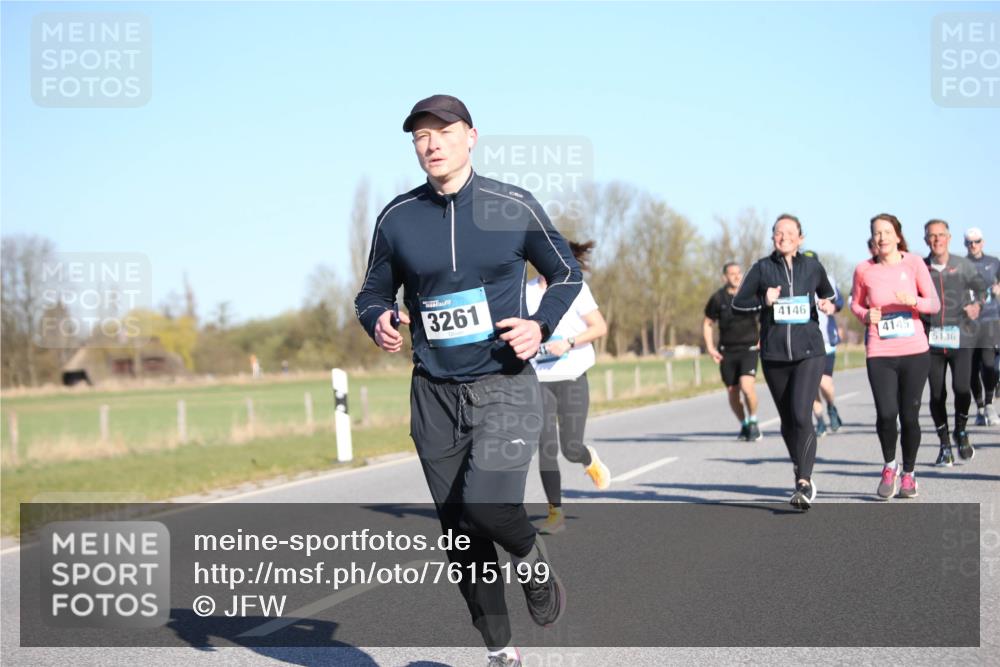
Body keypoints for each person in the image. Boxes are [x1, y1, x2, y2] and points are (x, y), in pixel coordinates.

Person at [354, 94, 582, 667]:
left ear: (471, 137)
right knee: (462, 535)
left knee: (486, 507)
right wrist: (377, 318)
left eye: (444, 132)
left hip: (503, 382)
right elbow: (371, 292)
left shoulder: (513, 205)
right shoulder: (396, 218)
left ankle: (531, 560)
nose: (431, 144)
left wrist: (539, 324)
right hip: (433, 395)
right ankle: (501, 650)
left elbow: (565, 273)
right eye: (420, 136)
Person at [733, 214, 837, 510]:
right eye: (779, 232)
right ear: (773, 238)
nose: (784, 236)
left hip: (810, 352)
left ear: (800, 238)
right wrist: (763, 300)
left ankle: (803, 482)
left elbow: (831, 298)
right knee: (788, 421)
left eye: (790, 232)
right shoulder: (762, 268)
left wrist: (829, 304)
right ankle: (799, 465)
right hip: (774, 355)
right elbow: (738, 303)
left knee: (801, 413)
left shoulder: (813, 267)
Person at [851, 214, 939, 500]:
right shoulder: (864, 270)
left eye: (887, 232)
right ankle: (890, 465)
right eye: (877, 233)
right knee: (887, 414)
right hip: (880, 351)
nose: (882, 238)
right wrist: (866, 314)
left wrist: (914, 301)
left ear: (898, 236)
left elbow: (934, 304)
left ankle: (910, 475)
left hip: (915, 351)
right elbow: (855, 302)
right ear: (872, 239)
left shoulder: (913, 263)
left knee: (909, 416)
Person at [527, 240, 610, 534]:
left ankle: (587, 458)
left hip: (573, 374)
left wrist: (569, 343)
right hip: (539, 379)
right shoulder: (524, 292)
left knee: (570, 447)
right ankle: (555, 512)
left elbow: (600, 327)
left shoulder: (575, 287)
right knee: (546, 446)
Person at [922, 220, 985, 465]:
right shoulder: (921, 266)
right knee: (937, 393)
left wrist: (977, 305)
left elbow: (982, 289)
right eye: (932, 236)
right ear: (926, 239)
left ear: (948, 238)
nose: (937, 240)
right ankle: (944, 445)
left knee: (961, 389)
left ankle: (961, 430)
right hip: (931, 341)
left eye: (941, 235)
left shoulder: (963, 265)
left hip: (961, 337)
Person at [703, 262, 762, 441]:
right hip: (727, 352)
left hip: (749, 349)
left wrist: (764, 337)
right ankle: (744, 424)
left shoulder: (751, 295)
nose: (736, 276)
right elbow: (707, 323)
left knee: (747, 387)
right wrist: (710, 348)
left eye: (739, 273)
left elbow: (766, 317)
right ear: (724, 277)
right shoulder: (717, 299)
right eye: (732, 273)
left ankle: (753, 421)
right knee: (732, 392)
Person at [802, 251, 845, 437]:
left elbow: (840, 302)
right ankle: (819, 420)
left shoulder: (828, 279)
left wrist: (832, 307)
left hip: (826, 340)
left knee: (825, 383)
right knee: (810, 386)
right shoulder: (795, 280)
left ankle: (832, 407)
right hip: (803, 341)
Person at [964, 227, 1000, 426]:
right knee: (971, 368)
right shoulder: (961, 265)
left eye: (976, 241)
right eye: (969, 242)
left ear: (982, 242)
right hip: (968, 323)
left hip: (990, 319)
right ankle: (979, 408)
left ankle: (989, 404)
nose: (973, 245)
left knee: (988, 363)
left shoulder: (993, 262)